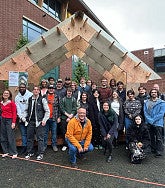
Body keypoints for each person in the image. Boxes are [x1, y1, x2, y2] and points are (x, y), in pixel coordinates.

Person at [25, 86, 50, 160]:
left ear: (39, 91)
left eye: (37, 90)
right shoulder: (29, 99)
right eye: (34, 89)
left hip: (39, 122)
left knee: (40, 139)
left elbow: (47, 111)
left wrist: (44, 120)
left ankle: (40, 153)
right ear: (32, 91)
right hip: (30, 122)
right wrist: (25, 119)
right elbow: (26, 110)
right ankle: (30, 152)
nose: (36, 91)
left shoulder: (42, 100)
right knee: (29, 138)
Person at [144, 89, 165, 157]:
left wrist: (153, 120)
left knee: (159, 137)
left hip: (158, 122)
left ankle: (159, 151)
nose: (153, 93)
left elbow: (161, 113)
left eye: (155, 92)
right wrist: (149, 120)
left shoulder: (162, 102)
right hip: (148, 122)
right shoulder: (146, 102)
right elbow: (145, 112)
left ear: (157, 93)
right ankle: (152, 149)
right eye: (152, 92)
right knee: (150, 136)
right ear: (150, 93)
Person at [15, 83, 33, 154]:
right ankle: (24, 147)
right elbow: (18, 108)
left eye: (23, 87)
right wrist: (21, 117)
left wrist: (26, 116)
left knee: (29, 134)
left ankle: (29, 148)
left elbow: (30, 107)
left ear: (26, 88)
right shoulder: (17, 97)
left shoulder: (30, 95)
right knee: (23, 134)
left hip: (29, 117)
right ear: (19, 88)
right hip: (21, 118)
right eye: (20, 87)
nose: (22, 88)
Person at [0, 90, 18, 159]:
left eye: (7, 93)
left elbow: (14, 113)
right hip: (3, 120)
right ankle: (5, 152)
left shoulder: (12, 103)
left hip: (9, 120)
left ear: (9, 95)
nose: (6, 94)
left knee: (10, 137)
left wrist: (13, 122)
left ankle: (14, 152)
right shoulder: (1, 103)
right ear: (3, 94)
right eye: (4, 93)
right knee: (3, 136)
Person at [43, 84, 60, 152]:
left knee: (54, 133)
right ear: (48, 89)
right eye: (50, 88)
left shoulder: (56, 97)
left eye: (52, 88)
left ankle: (54, 145)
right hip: (46, 118)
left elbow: (59, 107)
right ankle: (44, 145)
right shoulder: (44, 96)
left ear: (54, 89)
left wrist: (58, 117)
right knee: (45, 133)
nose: (51, 89)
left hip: (54, 117)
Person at [60, 87, 77, 151]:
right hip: (64, 118)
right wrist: (67, 115)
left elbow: (74, 108)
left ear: (72, 93)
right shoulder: (63, 99)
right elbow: (62, 108)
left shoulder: (73, 99)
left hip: (72, 118)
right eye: (68, 91)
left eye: (70, 92)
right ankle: (65, 144)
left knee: (72, 132)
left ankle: (72, 144)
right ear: (66, 92)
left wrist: (71, 116)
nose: (69, 93)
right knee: (64, 132)